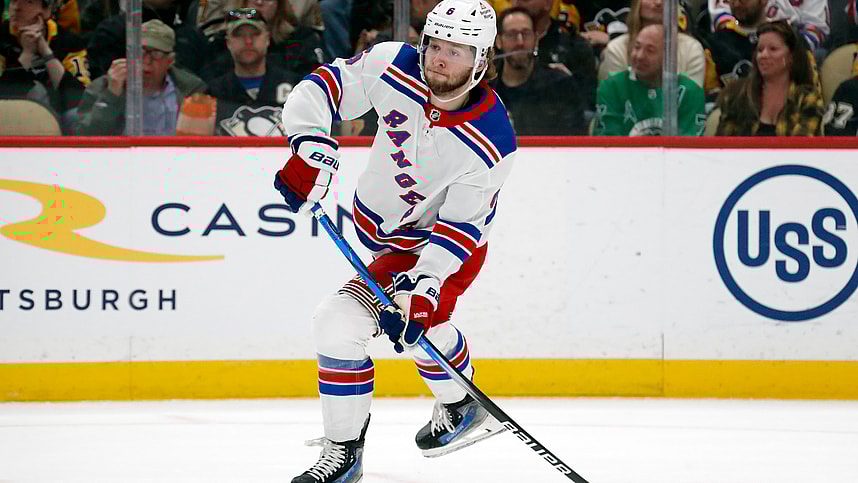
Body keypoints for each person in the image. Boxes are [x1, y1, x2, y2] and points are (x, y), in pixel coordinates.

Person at [272, 0, 516, 481]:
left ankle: (343, 455)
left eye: (458, 51)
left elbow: (461, 227)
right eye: (436, 44)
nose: (440, 58)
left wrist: (425, 287)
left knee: (342, 322)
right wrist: (307, 143)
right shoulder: (393, 64)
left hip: (441, 248)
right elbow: (323, 88)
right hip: (388, 238)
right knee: (406, 326)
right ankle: (461, 399)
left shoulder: (492, 141)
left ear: (481, 61)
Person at [75, 19, 207, 135]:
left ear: (170, 60)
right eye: (140, 52)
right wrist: (111, 96)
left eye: (156, 54)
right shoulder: (103, 86)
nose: (146, 61)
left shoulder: (191, 89)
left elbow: (200, 141)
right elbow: (85, 137)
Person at [193, 8, 303, 135]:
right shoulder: (210, 93)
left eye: (255, 34)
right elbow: (193, 146)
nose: (248, 42)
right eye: (239, 35)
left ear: (267, 39)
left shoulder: (297, 87)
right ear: (228, 42)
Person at [715, 20, 823, 136]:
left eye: (773, 49)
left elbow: (802, 148)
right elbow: (723, 147)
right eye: (760, 50)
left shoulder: (807, 98)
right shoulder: (735, 96)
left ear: (791, 57)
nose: (763, 55)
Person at [490, 6, 587, 134]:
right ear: (498, 41)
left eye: (526, 34)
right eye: (511, 35)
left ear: (536, 39)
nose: (520, 42)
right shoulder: (485, 89)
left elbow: (574, 142)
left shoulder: (561, 86)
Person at [595, 24, 705, 136]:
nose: (639, 56)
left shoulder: (690, 92)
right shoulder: (612, 87)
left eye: (650, 50)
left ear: (668, 56)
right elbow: (607, 142)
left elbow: (690, 146)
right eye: (637, 47)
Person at [0, 0, 89, 125]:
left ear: (46, 11)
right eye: (14, 1)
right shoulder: (2, 37)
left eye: (28, 2)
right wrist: (27, 55)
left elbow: (79, 98)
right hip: (10, 116)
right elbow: (4, 96)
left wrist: (46, 52)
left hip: (56, 116)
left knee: (75, 117)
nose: (16, 8)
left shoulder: (69, 41)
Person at [599, 0, 706, 88]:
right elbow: (614, 100)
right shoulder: (616, 48)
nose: (659, 2)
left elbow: (692, 101)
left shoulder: (691, 49)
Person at [511, 0, 597, 108]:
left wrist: (567, 84)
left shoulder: (575, 47)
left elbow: (589, 105)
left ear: (549, 3)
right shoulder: (494, 44)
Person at [707, 0, 829, 51]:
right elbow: (723, 19)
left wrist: (790, 49)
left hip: (790, 45)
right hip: (737, 44)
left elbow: (815, 28)